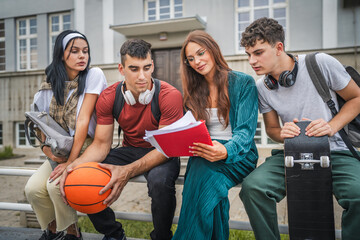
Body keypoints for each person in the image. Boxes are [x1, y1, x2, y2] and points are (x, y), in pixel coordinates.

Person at [239, 17, 360, 240]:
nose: (252, 61)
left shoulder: (320, 63)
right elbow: (273, 129)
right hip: (291, 153)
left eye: (258, 52)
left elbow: (356, 98)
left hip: (336, 150)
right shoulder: (262, 87)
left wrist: (332, 126)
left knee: (358, 195)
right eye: (248, 54)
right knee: (253, 188)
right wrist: (282, 134)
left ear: (279, 47)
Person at [59, 39, 183, 240]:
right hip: (129, 149)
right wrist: (72, 166)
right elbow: (100, 144)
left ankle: (161, 236)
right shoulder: (109, 96)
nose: (142, 76)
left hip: (162, 152)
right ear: (121, 68)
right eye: (134, 69)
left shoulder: (169, 96)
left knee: (160, 183)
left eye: (147, 68)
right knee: (81, 177)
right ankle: (114, 233)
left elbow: (165, 149)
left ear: (152, 66)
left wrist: (128, 171)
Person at [172, 30, 259, 240]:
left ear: (212, 50)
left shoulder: (243, 83)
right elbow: (193, 131)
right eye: (191, 59)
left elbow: (246, 134)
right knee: (208, 186)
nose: (197, 62)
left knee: (200, 175)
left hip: (239, 154)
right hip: (205, 155)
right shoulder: (194, 91)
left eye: (201, 53)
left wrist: (225, 150)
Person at [25, 30, 108, 240]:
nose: (82, 56)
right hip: (58, 149)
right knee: (33, 189)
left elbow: (83, 120)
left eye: (86, 51)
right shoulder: (48, 86)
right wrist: (51, 155)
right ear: (62, 54)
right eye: (75, 51)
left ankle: (72, 232)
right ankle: (52, 231)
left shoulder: (93, 75)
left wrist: (70, 163)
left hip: (86, 146)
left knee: (55, 187)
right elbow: (40, 125)